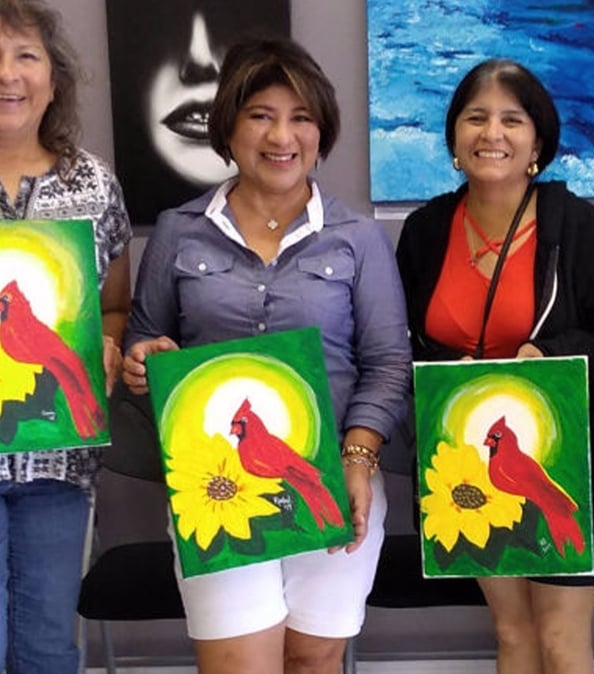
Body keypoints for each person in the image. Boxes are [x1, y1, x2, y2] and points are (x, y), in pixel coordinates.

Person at [122, 36, 411, 674]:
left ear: (320, 132)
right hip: (216, 489)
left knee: (312, 660)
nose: (282, 135)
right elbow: (144, 341)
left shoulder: (357, 237)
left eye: (301, 117)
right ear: (228, 127)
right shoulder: (178, 230)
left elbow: (388, 362)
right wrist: (143, 362)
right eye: (261, 115)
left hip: (334, 480)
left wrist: (360, 459)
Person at [396, 59, 594, 674]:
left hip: (569, 463)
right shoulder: (425, 231)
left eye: (511, 119)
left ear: (538, 141)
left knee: (559, 637)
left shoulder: (578, 227)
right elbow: (407, 342)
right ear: (454, 136)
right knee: (512, 634)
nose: (491, 133)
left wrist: (550, 354)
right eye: (475, 117)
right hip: (466, 467)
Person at [0, 0, 132, 671]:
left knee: (49, 645)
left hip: (58, 465)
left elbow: (116, 305)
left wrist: (106, 344)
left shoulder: (92, 185)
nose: (8, 74)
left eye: (25, 55)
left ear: (55, 78)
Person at [106, 0, 290, 223]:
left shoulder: (342, 232)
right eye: (170, 26)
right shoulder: (172, 233)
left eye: (228, 24)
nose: (200, 63)